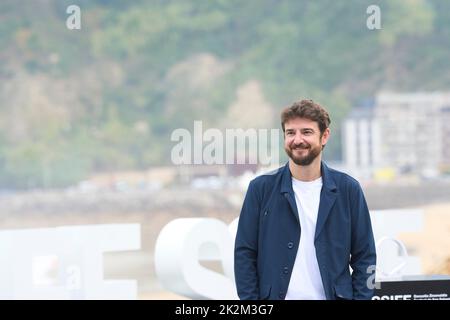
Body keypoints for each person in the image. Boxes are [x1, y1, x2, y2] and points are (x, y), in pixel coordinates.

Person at [234, 99, 376, 300]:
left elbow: (365, 256)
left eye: (306, 132)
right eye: (291, 133)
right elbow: (244, 255)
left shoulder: (348, 190)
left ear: (324, 136)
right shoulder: (260, 189)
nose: (297, 139)